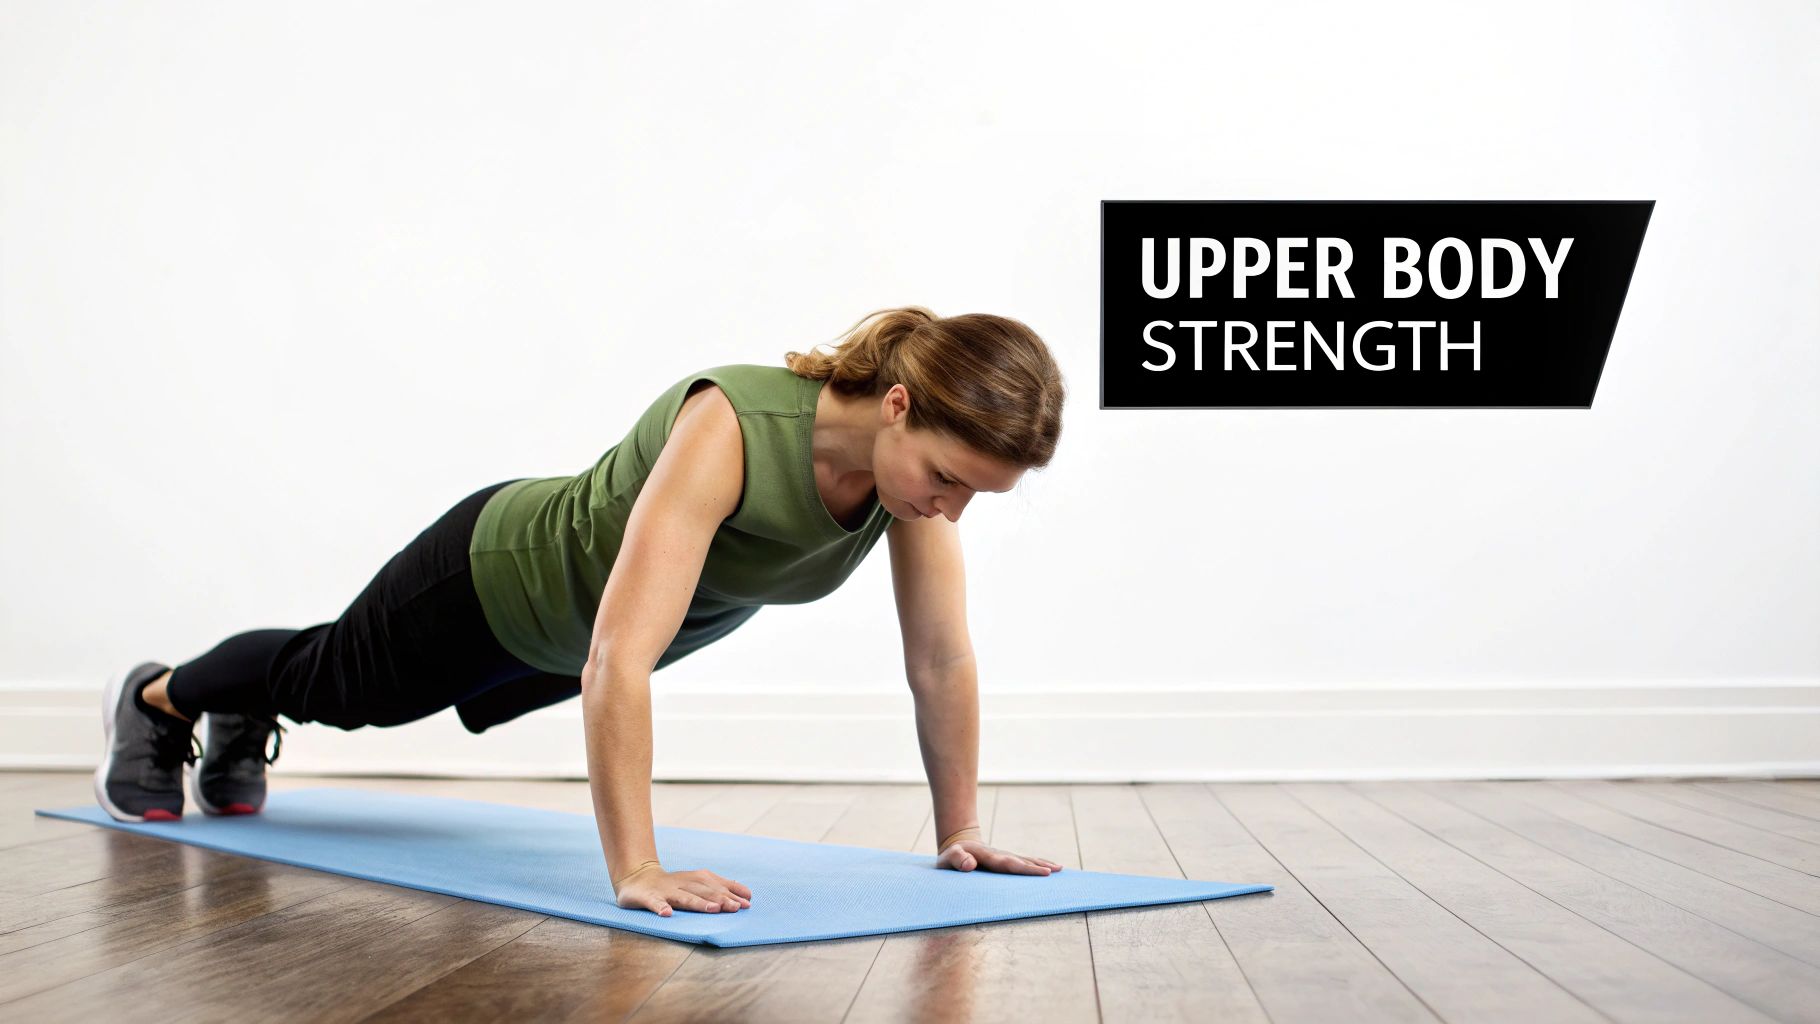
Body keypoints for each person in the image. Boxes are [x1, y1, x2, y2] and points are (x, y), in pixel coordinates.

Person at [95, 305, 1068, 917]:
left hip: (565, 642)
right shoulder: (733, 423)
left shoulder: (908, 494)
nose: (952, 509)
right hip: (496, 576)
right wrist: (637, 867)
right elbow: (621, 657)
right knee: (339, 688)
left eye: (975, 494)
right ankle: (159, 698)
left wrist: (960, 830)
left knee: (343, 687)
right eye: (948, 478)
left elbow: (940, 659)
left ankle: (237, 708)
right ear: (897, 405)